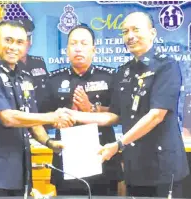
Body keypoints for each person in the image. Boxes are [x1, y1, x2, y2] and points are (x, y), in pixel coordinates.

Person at [63, 12, 189, 197]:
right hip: (135, 167)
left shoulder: (167, 67)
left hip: (162, 167)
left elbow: (156, 115)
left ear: (152, 33)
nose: (130, 36)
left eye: (136, 30)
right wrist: (74, 115)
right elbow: (115, 115)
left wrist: (119, 144)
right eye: (125, 31)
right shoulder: (123, 72)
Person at [0, 20, 74, 197]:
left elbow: (32, 120)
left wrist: (49, 143)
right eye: (8, 40)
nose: (13, 47)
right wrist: (52, 117)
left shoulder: (25, 78)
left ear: (26, 45)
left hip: (21, 172)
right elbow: (8, 118)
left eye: (19, 42)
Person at [39, 25, 123, 196]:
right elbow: (41, 118)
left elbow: (118, 115)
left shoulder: (109, 77)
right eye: (73, 44)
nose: (78, 48)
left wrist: (90, 109)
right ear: (67, 50)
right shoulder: (53, 80)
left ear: (94, 49)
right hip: (67, 156)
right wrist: (58, 119)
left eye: (84, 43)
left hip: (102, 155)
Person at [15, 18, 49, 109]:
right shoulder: (7, 66)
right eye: (20, 40)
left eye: (28, 39)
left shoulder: (39, 62)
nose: (26, 43)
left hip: (44, 116)